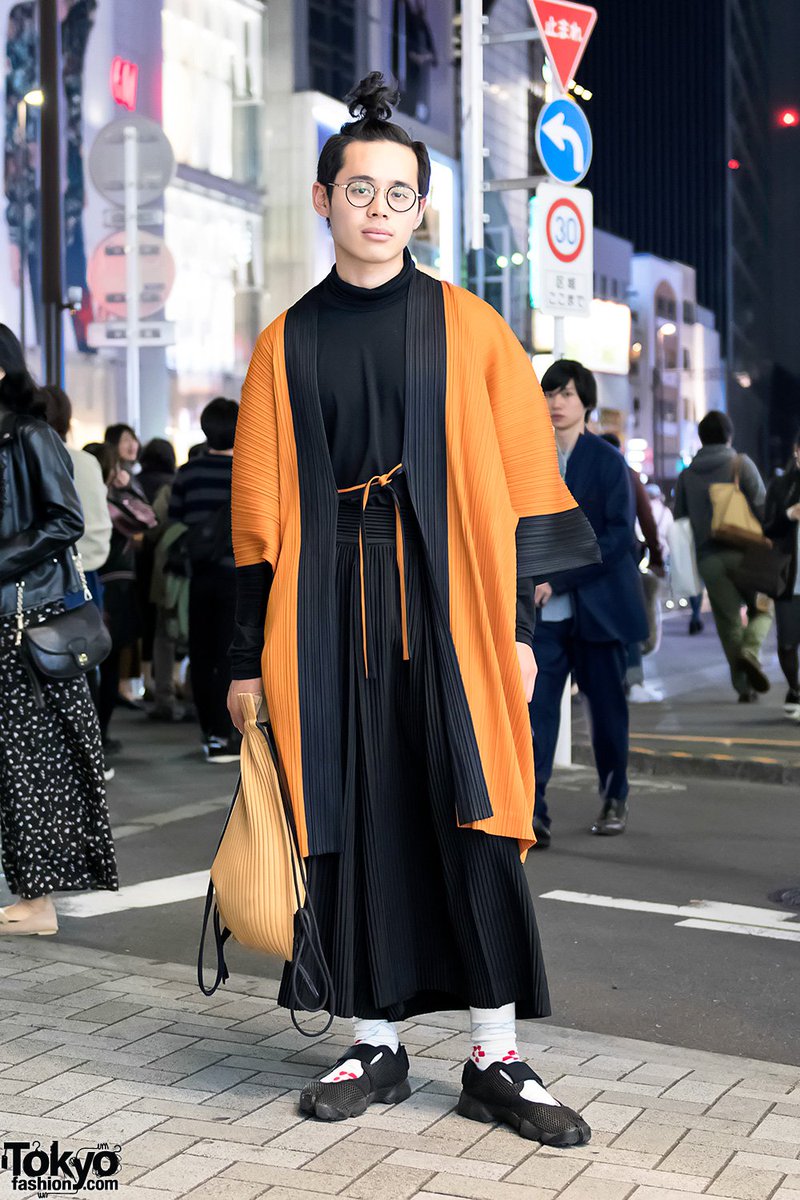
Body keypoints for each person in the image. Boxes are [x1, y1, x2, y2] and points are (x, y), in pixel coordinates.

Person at [225, 75, 599, 1143]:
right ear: (322, 198)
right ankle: (373, 1039)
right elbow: (254, 524)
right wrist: (247, 663)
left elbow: (526, 493)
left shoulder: (470, 329)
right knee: (348, 811)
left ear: (421, 209)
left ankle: (495, 1055)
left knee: (470, 806)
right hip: (322, 611)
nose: (378, 208)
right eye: (359, 190)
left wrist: (521, 641)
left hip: (453, 608)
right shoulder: (282, 344)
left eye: (398, 193)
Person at [0, 325, 118, 937]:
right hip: (10, 624)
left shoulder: (29, 435)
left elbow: (64, 520)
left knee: (30, 763)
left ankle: (37, 902)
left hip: (24, 625)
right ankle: (30, 897)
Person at [529, 360, 648, 846]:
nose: (557, 403)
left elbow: (619, 536)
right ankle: (533, 810)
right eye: (551, 393)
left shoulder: (605, 459)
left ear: (586, 404)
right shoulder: (529, 456)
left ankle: (614, 796)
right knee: (536, 712)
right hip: (544, 614)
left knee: (606, 710)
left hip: (598, 607)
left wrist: (557, 578)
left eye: (568, 395)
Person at [674, 411, 772, 702]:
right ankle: (751, 649)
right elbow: (763, 507)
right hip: (748, 552)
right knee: (764, 608)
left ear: (701, 439)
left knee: (728, 622)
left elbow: (679, 518)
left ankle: (744, 688)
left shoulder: (687, 475)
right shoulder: (740, 464)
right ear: (729, 436)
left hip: (709, 559)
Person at [170, 397, 239, 762]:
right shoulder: (249, 469)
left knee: (201, 651)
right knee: (232, 650)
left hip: (199, 575)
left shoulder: (188, 473)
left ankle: (209, 733)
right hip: (238, 576)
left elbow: (174, 520)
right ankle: (230, 733)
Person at [763, 431, 800, 719]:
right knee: (787, 642)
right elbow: (768, 527)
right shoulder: (782, 485)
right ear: (796, 452)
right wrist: (789, 515)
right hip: (789, 577)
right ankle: (795, 688)